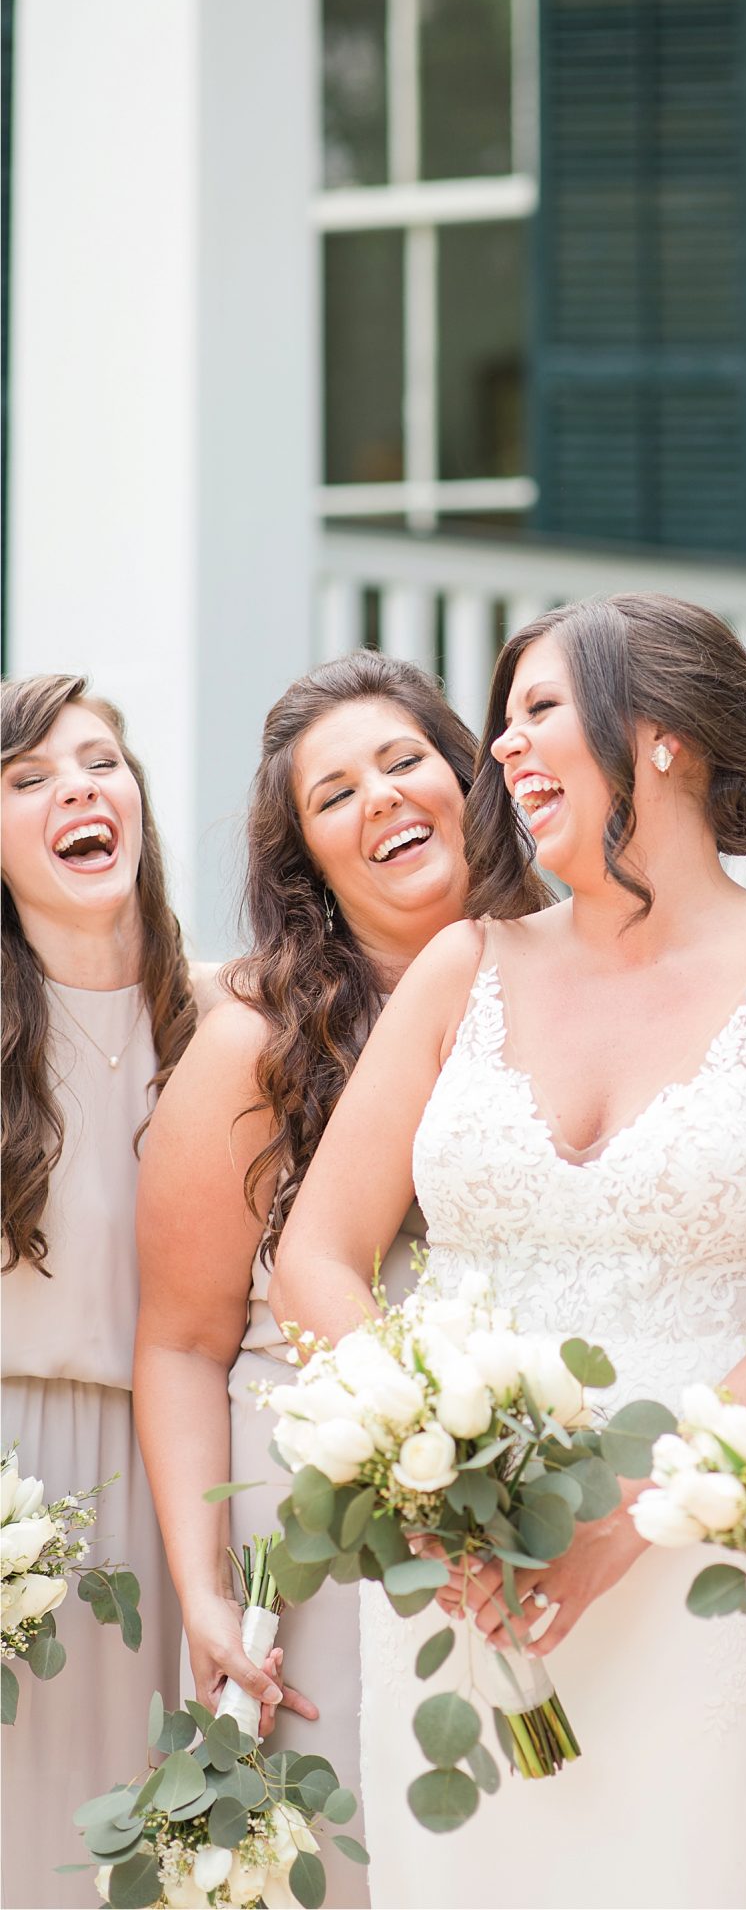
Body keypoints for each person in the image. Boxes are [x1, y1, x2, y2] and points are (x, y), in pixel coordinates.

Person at [272, 594, 746, 1908]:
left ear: (660, 736)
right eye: (501, 721)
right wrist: (420, 1475)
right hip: (462, 1583)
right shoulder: (461, 968)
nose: (501, 748)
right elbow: (318, 1254)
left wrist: (622, 1516)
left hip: (700, 1559)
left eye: (539, 709)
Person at [134, 652, 542, 1906]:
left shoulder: (580, 980)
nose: (380, 796)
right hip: (316, 1524)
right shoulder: (257, 1039)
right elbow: (183, 1338)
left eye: (405, 759)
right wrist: (204, 1586)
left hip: (533, 1503)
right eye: (335, 792)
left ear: (469, 777)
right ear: (305, 855)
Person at [2, 673, 196, 1906]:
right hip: (15, 1467)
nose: (77, 785)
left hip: (188, 1464)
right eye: (26, 779)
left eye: (100, 762)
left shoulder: (232, 1012)